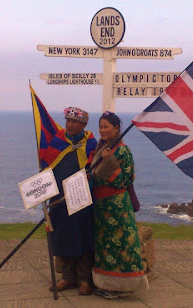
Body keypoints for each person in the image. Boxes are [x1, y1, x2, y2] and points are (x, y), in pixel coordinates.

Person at [90, 111, 149, 299]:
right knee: (106, 245)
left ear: (117, 128)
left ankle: (121, 287)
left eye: (106, 126)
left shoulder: (122, 151)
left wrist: (109, 161)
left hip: (117, 207)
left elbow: (124, 180)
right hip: (102, 207)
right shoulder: (103, 148)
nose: (102, 130)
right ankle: (106, 284)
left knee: (119, 246)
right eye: (100, 126)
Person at [44, 107, 97, 295]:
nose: (70, 125)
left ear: (83, 125)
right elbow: (47, 166)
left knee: (83, 237)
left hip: (81, 198)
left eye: (75, 122)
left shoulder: (91, 144)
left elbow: (94, 169)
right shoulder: (58, 140)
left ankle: (84, 279)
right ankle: (67, 278)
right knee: (62, 236)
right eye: (68, 121)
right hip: (59, 199)